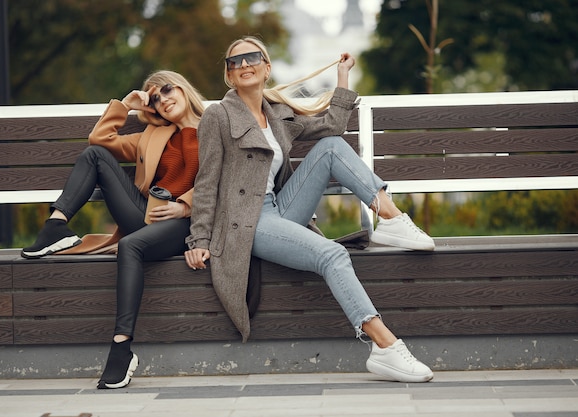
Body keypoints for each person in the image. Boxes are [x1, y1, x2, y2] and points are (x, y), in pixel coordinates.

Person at [184, 36, 435, 383]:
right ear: (228, 75)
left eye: (251, 57)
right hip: (247, 224)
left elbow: (333, 126)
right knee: (332, 255)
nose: (243, 65)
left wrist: (343, 75)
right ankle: (384, 346)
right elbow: (207, 180)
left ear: (266, 67)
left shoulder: (276, 115)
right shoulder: (218, 115)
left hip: (278, 209)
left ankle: (390, 217)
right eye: (234, 62)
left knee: (331, 147)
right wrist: (198, 239)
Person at [21, 70, 205, 389]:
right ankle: (55, 227)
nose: (163, 99)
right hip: (147, 215)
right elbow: (101, 141)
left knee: (131, 246)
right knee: (95, 155)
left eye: (166, 89)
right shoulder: (152, 136)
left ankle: (121, 348)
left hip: (185, 224)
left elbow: (224, 178)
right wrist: (127, 105)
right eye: (155, 98)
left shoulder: (212, 126)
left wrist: (185, 205)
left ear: (183, 88)